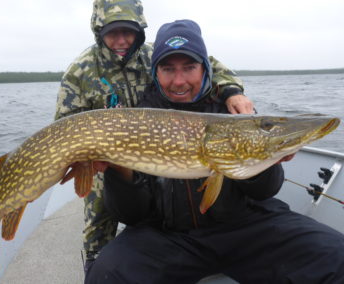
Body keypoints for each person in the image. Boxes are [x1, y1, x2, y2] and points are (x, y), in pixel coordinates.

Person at [84, 19, 344, 284]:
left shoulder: (232, 110)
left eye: (189, 67)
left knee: (337, 255)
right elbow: (131, 215)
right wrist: (120, 171)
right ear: (156, 72)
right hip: (169, 237)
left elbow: (265, 191)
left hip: (246, 228)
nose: (179, 80)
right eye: (167, 68)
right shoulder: (137, 120)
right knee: (107, 274)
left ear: (205, 67)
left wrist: (267, 159)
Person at [54, 0, 254, 272]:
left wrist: (232, 91)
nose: (122, 40)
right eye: (113, 32)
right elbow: (65, 124)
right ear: (99, 31)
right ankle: (94, 264)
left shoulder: (154, 55)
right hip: (102, 149)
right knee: (100, 206)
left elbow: (211, 65)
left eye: (129, 31)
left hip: (158, 139)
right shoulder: (81, 70)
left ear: (140, 31)